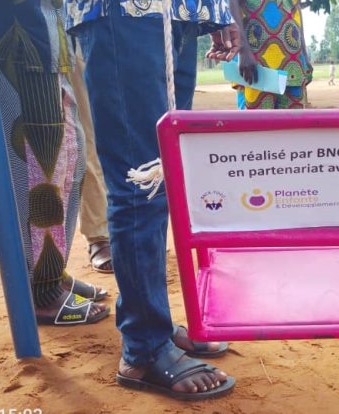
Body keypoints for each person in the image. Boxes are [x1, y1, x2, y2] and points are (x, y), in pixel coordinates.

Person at [67, 0, 238, 399]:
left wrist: (215, 11)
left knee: (163, 177)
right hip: (124, 13)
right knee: (140, 179)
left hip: (181, 13)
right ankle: (144, 348)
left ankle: (152, 323)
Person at [0, 0, 110, 326]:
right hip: (20, 46)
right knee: (41, 172)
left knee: (70, 165)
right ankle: (40, 289)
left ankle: (52, 272)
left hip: (50, 43)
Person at [71, 45, 113, 274]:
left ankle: (136, 225)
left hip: (138, 31)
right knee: (89, 133)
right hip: (82, 30)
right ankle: (99, 233)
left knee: (134, 131)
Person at [231, 0, 313, 109]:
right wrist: (243, 49)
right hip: (256, 61)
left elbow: (295, 6)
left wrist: (305, 56)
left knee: (293, 118)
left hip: (293, 63)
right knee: (256, 117)